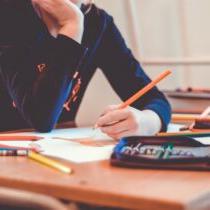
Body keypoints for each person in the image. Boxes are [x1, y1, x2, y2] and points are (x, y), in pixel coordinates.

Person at [0, 0, 171, 138]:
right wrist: (72, 26)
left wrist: (146, 122)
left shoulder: (98, 23)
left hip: (58, 150)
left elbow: (154, 99)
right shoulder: (9, 15)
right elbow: (40, 119)